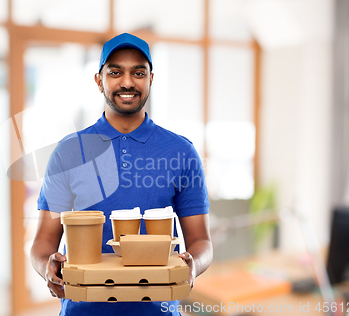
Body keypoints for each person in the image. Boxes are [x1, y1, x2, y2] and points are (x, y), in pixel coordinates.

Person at [30, 33, 213, 316]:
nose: (127, 82)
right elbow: (43, 241)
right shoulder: (68, 152)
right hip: (84, 310)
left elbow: (201, 241)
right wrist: (47, 267)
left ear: (151, 78)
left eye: (138, 72)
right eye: (115, 72)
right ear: (98, 80)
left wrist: (193, 266)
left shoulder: (181, 152)